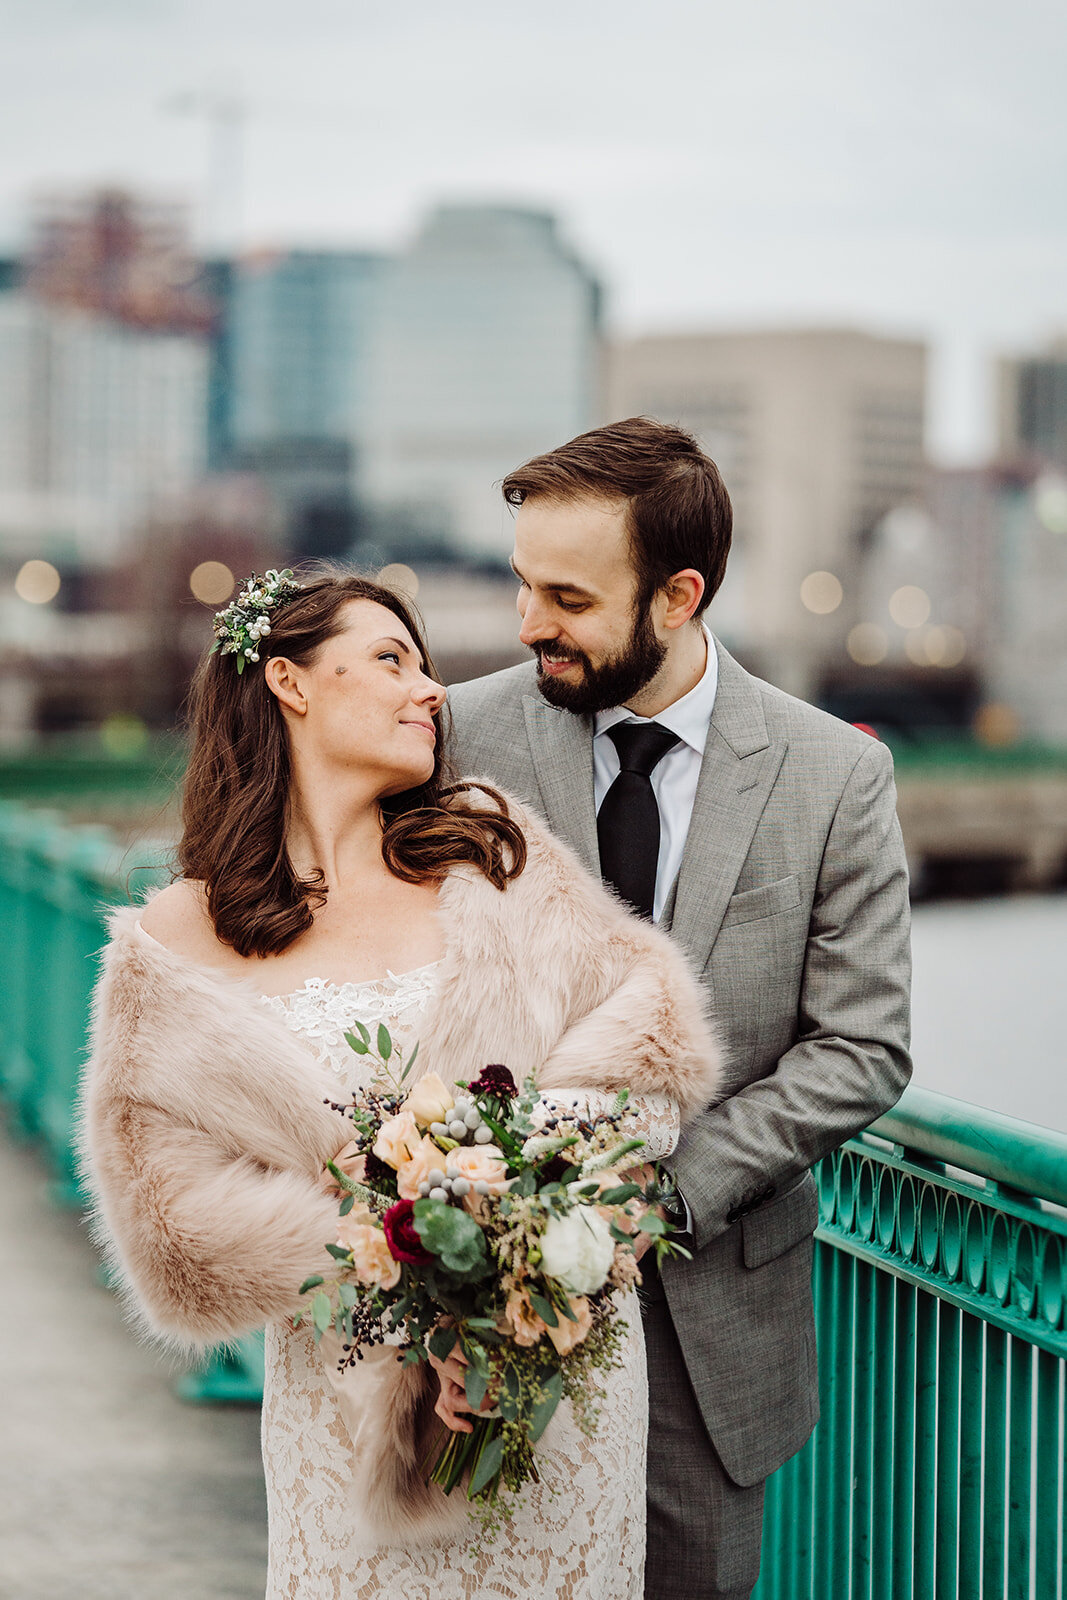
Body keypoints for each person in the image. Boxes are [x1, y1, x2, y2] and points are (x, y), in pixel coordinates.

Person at [78, 570, 723, 1600]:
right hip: (347, 1424)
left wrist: (506, 1211)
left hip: (547, 1400)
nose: (430, 689)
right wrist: (401, 1267)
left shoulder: (490, 852)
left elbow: (650, 1039)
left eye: (423, 664)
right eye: (389, 659)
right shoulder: (171, 946)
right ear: (287, 680)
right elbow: (170, 1232)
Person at [445, 417, 913, 1600]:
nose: (525, 623)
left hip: (708, 1328)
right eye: (518, 583)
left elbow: (860, 1045)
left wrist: (660, 1194)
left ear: (677, 593)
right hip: (478, 1320)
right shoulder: (458, 735)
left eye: (564, 594)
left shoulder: (833, 775)